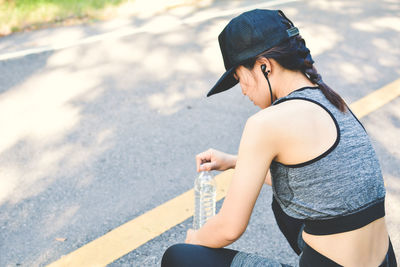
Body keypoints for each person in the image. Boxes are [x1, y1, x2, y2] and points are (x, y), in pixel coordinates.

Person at [161, 9, 397, 267]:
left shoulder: (266, 123)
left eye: (241, 78)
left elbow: (228, 228)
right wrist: (233, 161)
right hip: (384, 261)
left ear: (264, 66)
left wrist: (195, 239)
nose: (243, 91)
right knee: (289, 200)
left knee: (179, 257)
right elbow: (313, 182)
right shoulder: (331, 101)